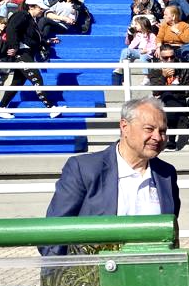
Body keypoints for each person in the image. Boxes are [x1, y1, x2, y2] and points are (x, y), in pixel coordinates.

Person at [42, 97, 178, 248]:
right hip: (94, 263)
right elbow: (51, 235)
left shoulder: (166, 174)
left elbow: (170, 234)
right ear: (125, 127)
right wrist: (70, 264)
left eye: (162, 131)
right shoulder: (84, 169)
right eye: (149, 129)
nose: (157, 137)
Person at [0, 0, 62, 119]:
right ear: (31, 7)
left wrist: (48, 41)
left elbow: (33, 39)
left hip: (26, 53)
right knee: (37, 78)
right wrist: (14, 47)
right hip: (21, 53)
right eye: (40, 8)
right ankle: (51, 108)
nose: (42, 11)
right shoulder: (22, 15)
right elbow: (11, 29)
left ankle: (1, 108)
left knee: (17, 82)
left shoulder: (30, 19)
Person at [147, 43, 189, 150]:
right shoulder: (155, 70)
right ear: (160, 58)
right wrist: (164, 76)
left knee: (169, 97)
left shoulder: (181, 68)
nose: (169, 60)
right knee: (167, 96)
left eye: (172, 57)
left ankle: (171, 142)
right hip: (163, 100)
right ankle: (184, 120)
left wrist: (175, 88)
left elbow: (188, 91)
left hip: (179, 100)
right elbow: (156, 92)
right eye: (165, 58)